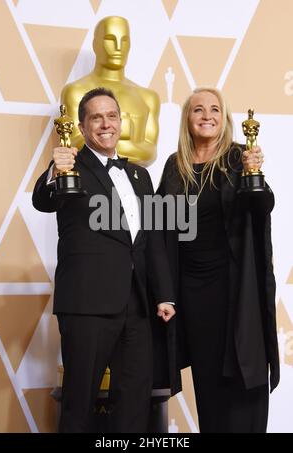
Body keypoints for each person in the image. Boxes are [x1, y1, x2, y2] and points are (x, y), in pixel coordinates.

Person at [32, 87, 176, 433]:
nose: (106, 124)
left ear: (121, 122)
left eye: (112, 115)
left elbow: (151, 238)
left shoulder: (140, 175)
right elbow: (43, 200)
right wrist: (55, 170)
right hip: (87, 305)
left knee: (134, 402)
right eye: (96, 117)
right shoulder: (71, 167)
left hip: (137, 305)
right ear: (82, 127)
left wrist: (164, 293)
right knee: (80, 402)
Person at [157, 87, 279, 433]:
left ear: (224, 119)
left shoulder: (240, 157)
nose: (206, 115)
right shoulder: (173, 165)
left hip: (236, 287)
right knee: (208, 382)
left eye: (214, 109)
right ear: (187, 119)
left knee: (245, 373)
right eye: (198, 110)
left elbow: (263, 205)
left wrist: (256, 177)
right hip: (194, 293)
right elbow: (159, 227)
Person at [61, 16, 160, 165]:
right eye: (110, 39)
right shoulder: (75, 91)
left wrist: (103, 141)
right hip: (89, 182)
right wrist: (130, 143)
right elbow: (73, 145)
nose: (118, 47)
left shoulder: (148, 97)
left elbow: (150, 151)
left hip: (136, 183)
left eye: (124, 40)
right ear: (96, 44)